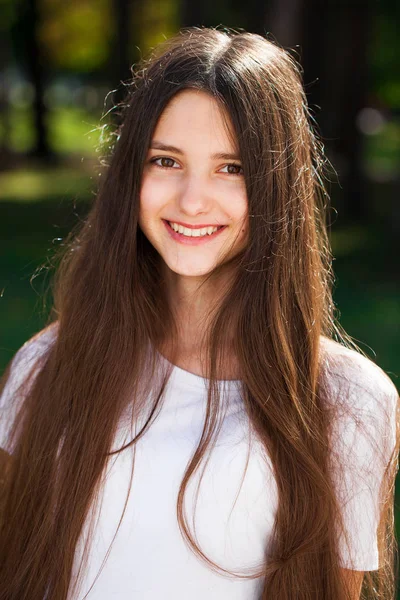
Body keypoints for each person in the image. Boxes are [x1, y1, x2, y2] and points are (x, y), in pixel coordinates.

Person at [0, 26, 399, 600]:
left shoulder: (351, 404)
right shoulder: (44, 367)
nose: (192, 200)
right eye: (165, 160)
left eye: (231, 168)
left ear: (277, 186)